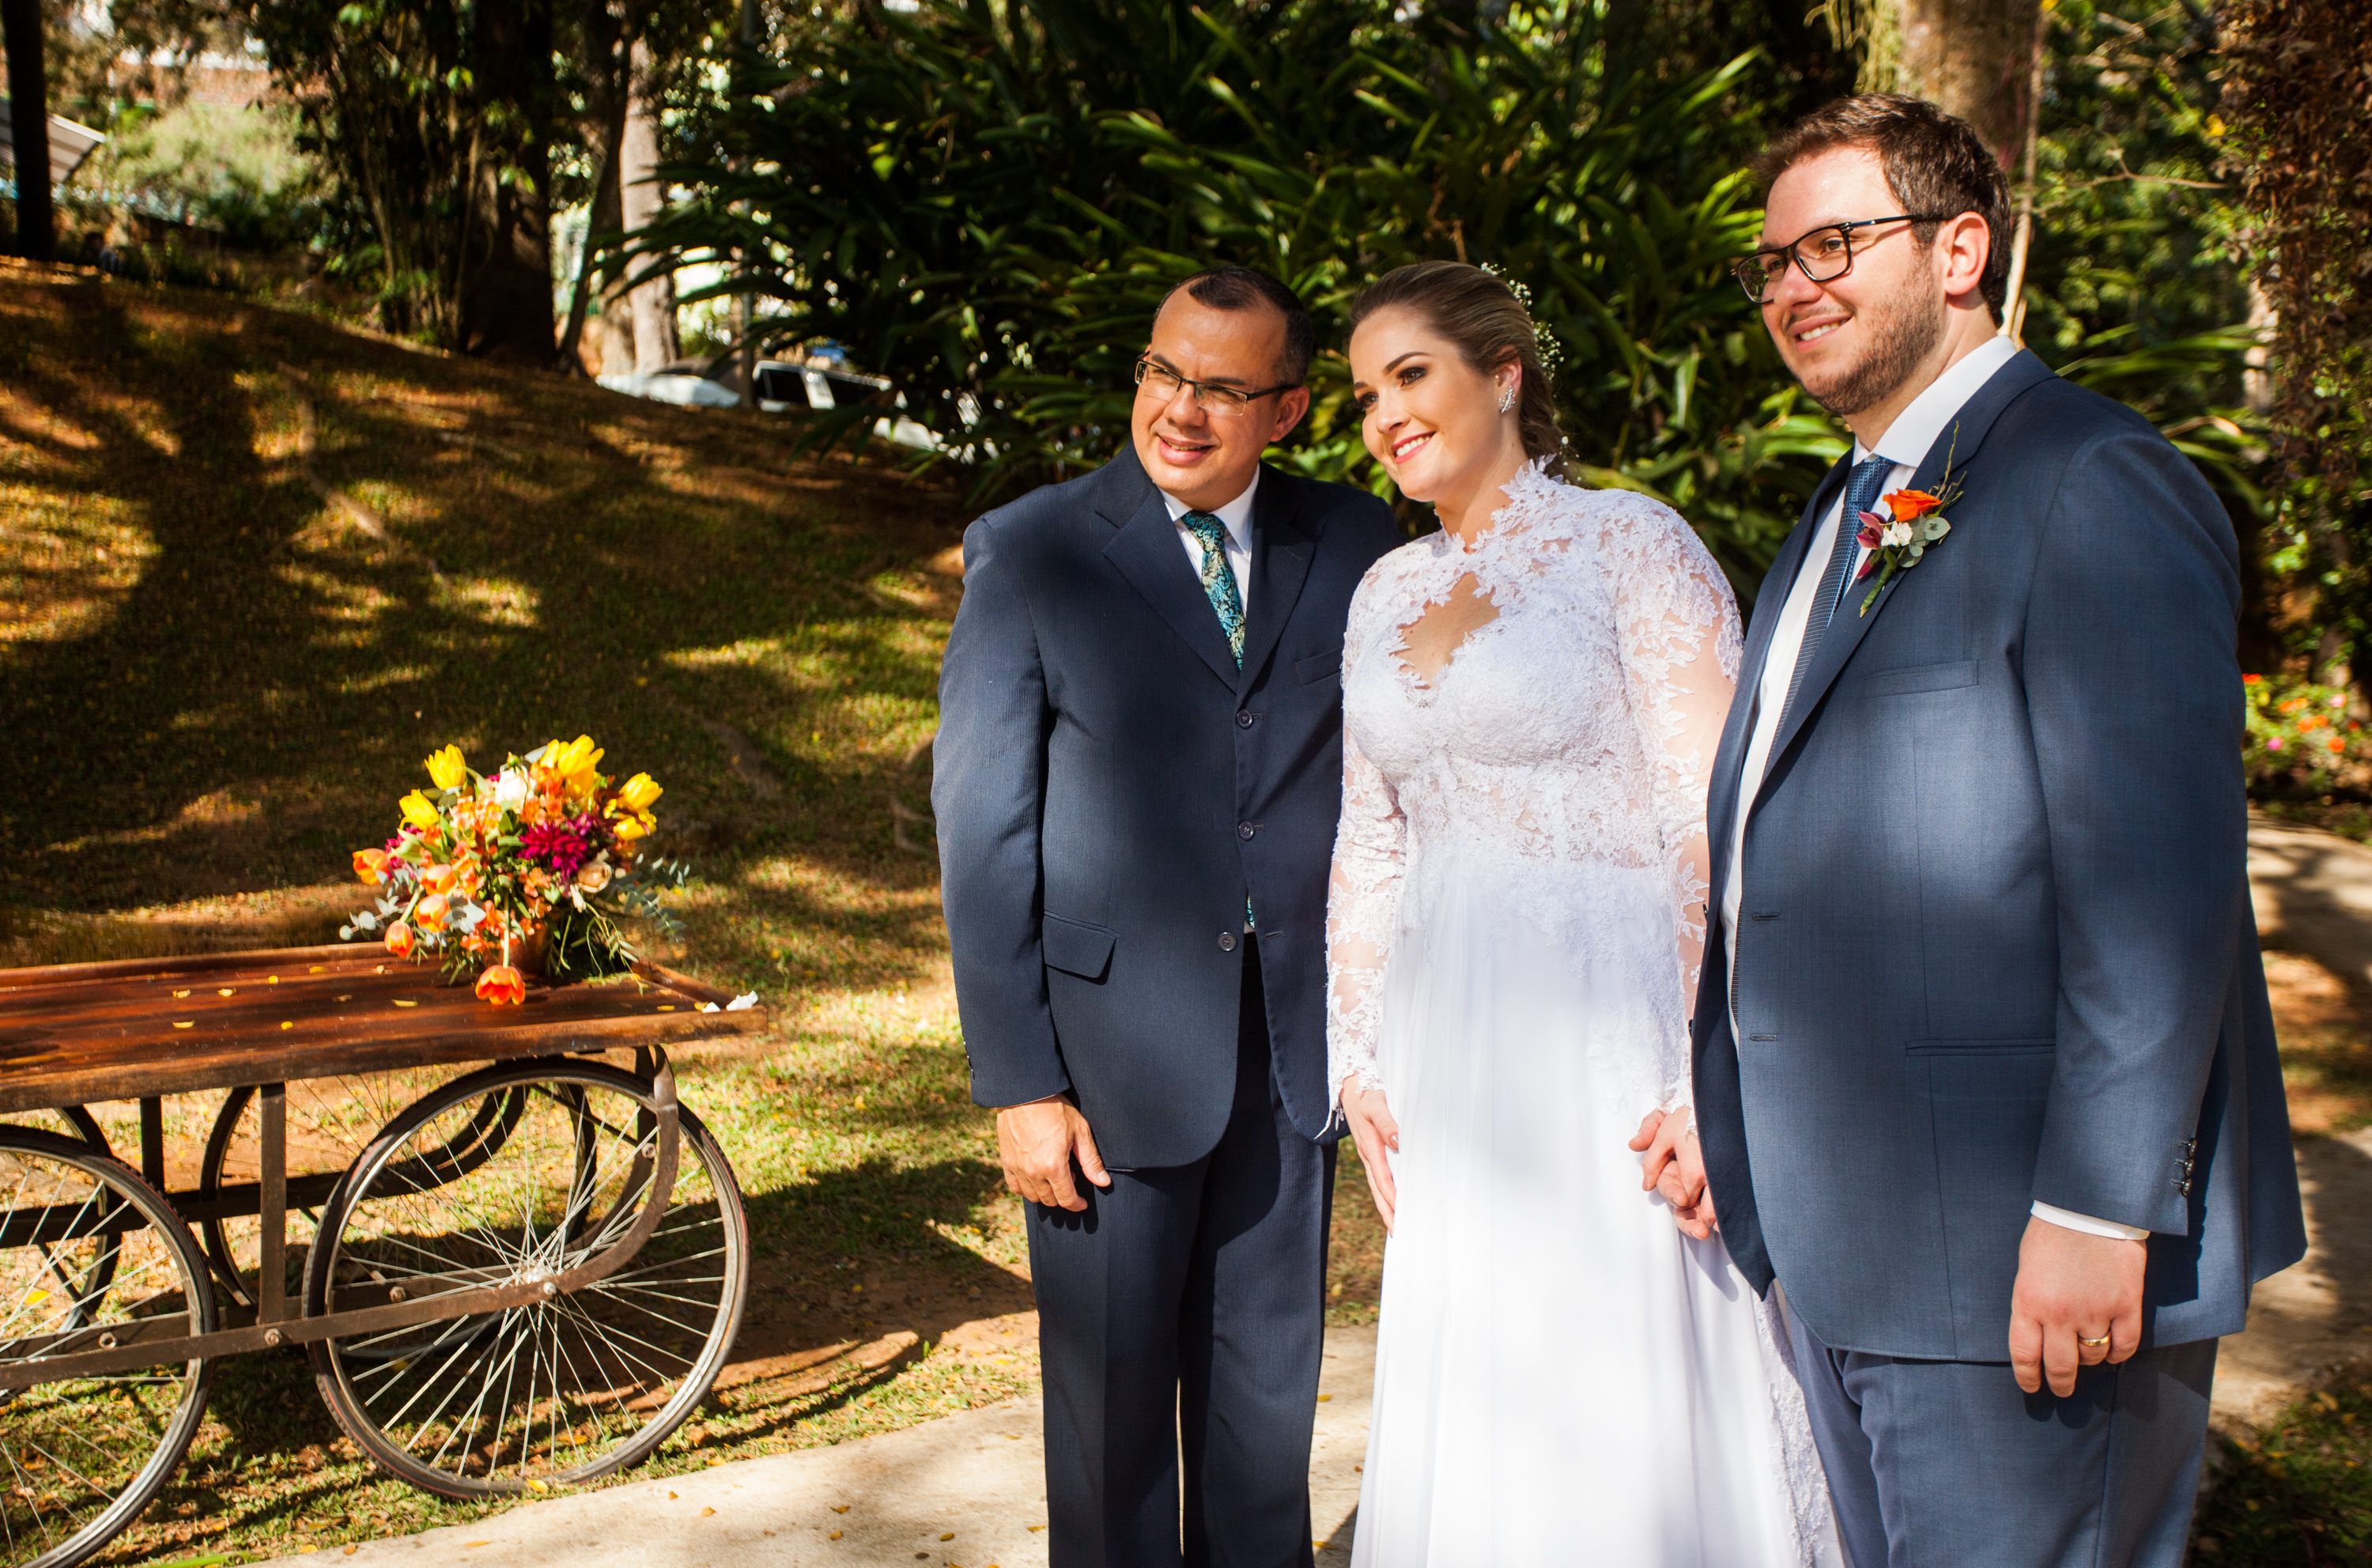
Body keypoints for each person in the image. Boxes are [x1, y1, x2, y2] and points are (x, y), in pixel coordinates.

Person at [1662, 93, 2308, 1567]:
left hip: (2021, 1256)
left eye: (1833, 244)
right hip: (1849, 1243)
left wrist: (2098, 1209)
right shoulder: (1838, 514)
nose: (1793, 287)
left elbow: (2158, 891)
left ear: (1960, 250)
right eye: (1772, 263)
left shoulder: (2093, 481)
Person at [1329, 259, 1837, 1566]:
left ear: (1503, 376)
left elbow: (1712, 821)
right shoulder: (1381, 592)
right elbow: (1371, 838)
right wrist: (1358, 1058)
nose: (1384, 417)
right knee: (1486, 1390)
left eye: (1410, 376)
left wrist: (1707, 1074)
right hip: (1449, 1057)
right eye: (1365, 394)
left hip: (1616, 1036)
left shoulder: (1629, 543)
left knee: (1625, 1370)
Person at [934, 265, 1403, 1568]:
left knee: (1265, 1418)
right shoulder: (1031, 551)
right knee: (1114, 1426)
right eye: (1162, 371)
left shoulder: (1354, 541)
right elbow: (983, 838)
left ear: (1288, 409)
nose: (1180, 409)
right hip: (1105, 1069)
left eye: (1221, 388)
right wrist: (1021, 1084)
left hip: (1290, 1055)